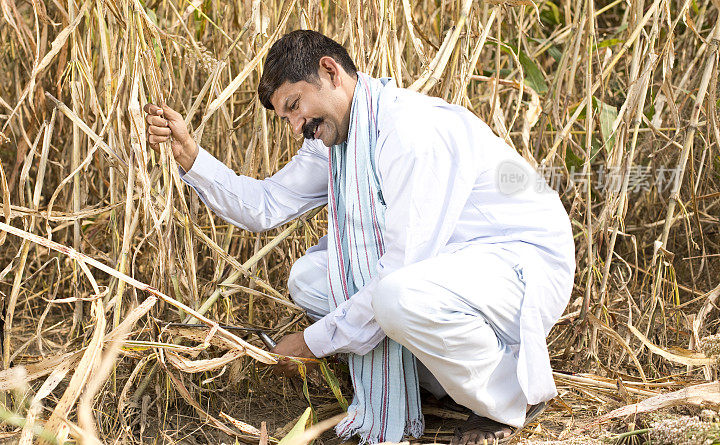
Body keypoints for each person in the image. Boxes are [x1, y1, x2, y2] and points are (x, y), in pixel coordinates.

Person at [144, 30, 575, 445]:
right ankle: (431, 383)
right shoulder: (336, 140)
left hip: (519, 263)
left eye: (295, 106)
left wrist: (312, 343)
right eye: (286, 117)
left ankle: (510, 397)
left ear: (331, 72)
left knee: (398, 296)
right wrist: (190, 155)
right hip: (455, 265)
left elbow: (401, 268)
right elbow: (266, 205)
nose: (296, 127)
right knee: (310, 277)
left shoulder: (410, 132)